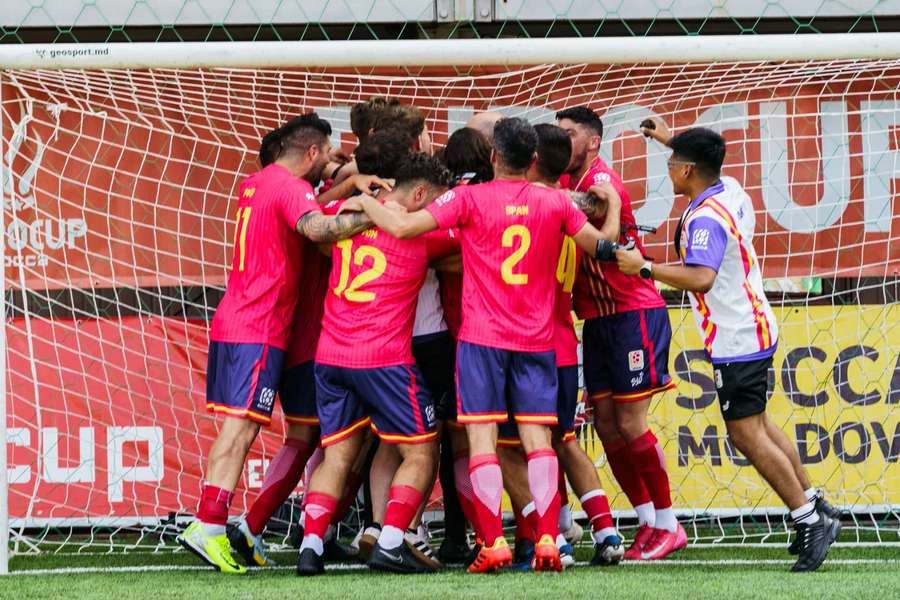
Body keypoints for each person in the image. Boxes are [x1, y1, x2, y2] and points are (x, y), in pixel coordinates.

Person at [353, 117, 622, 573]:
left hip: (481, 341)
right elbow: (602, 247)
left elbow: (402, 227)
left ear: (494, 156)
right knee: (539, 441)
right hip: (536, 341)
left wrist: (363, 200)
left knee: (482, 441)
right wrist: (613, 212)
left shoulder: (468, 198)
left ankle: (493, 541)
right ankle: (549, 540)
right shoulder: (555, 202)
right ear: (532, 159)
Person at [616, 124, 841, 572]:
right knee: (758, 425)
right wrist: (670, 140)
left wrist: (645, 268)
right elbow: (702, 161)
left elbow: (702, 277)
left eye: (672, 163)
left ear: (688, 171)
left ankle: (808, 519)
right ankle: (815, 505)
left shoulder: (705, 219)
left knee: (745, 434)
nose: (668, 169)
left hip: (737, 335)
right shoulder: (729, 187)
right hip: (753, 324)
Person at [177, 113, 375, 574]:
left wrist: (345, 183)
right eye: (325, 155)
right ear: (311, 152)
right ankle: (209, 524)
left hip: (243, 320)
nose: (328, 164)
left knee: (257, 428)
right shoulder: (291, 188)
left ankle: (226, 525)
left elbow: (311, 205)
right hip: (260, 326)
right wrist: (377, 213)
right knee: (240, 429)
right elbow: (316, 228)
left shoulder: (257, 183)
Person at [296, 153, 458, 576]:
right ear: (419, 194)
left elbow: (313, 224)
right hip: (384, 360)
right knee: (422, 450)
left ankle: (310, 547)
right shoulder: (423, 233)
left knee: (337, 457)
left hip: (331, 356)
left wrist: (355, 194)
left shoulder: (343, 217)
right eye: (435, 202)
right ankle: (390, 542)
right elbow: (473, 243)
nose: (437, 211)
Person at [557, 106, 683, 560]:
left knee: (630, 424)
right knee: (608, 428)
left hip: (633, 313)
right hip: (597, 319)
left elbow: (601, 224)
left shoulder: (601, 181)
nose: (562, 141)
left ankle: (669, 523)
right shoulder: (565, 182)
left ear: (592, 141)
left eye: (569, 134)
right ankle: (647, 520)